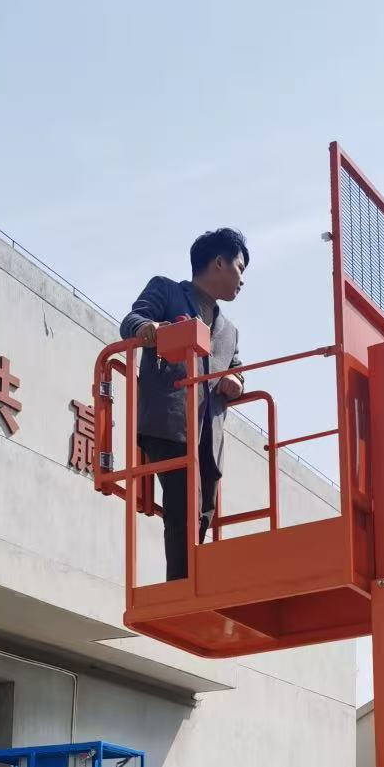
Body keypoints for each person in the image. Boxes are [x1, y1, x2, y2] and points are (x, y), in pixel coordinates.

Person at [119, 228, 248, 579]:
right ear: (218, 262)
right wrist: (150, 330)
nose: (242, 280)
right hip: (170, 420)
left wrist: (235, 381)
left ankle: (193, 579)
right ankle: (183, 584)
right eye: (239, 267)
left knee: (203, 509)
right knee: (181, 504)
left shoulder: (229, 330)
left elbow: (237, 369)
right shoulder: (167, 290)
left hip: (210, 432)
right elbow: (132, 321)